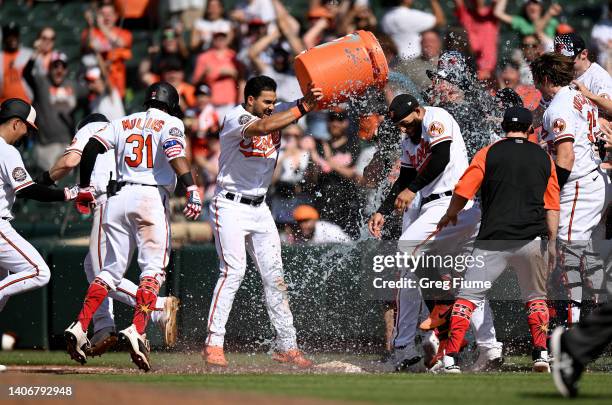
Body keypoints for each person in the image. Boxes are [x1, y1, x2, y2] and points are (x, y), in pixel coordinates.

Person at [64, 82, 202, 371]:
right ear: (172, 104)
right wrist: (191, 187)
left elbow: (91, 147)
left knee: (110, 270)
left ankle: (81, 325)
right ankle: (137, 328)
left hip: (118, 198)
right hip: (151, 196)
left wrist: (86, 186)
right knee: (152, 269)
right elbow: (175, 152)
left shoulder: (123, 121)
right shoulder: (171, 121)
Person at [367, 94, 499, 372]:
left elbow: (441, 157)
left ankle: (442, 307)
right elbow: (404, 178)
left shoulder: (436, 117)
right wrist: (382, 209)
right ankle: (489, 346)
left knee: (406, 249)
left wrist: (412, 189)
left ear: (418, 110)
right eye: (399, 126)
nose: (404, 129)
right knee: (469, 281)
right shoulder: (408, 141)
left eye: (406, 123)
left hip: (451, 204)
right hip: (448, 207)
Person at [202, 75, 322, 368]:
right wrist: (303, 108)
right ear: (251, 99)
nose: (271, 107)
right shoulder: (236, 117)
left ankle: (287, 346)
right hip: (229, 204)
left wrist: (319, 94)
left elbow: (301, 106)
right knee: (233, 271)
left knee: (275, 277)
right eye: (266, 101)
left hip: (260, 208)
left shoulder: (277, 110)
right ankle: (214, 343)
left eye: (273, 101)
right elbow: (265, 126)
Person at [38, 113, 179, 357]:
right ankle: (104, 325)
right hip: (133, 198)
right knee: (93, 267)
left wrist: (42, 181)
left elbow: (70, 161)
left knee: (105, 272)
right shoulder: (122, 129)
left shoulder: (91, 128)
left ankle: (157, 307)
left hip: (108, 202)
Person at [437, 106, 560, 373]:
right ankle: (540, 353)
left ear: (504, 126)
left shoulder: (488, 152)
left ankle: (451, 358)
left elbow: (464, 190)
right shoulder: (543, 157)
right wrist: (552, 242)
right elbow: (552, 206)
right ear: (530, 129)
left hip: (493, 239)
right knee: (536, 298)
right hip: (532, 238)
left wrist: (450, 214)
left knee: (467, 298)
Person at [532, 53, 609, 326]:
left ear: (544, 78)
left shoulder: (559, 106)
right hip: (593, 179)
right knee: (586, 258)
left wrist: (551, 193)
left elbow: (566, 157)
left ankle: (572, 327)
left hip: (578, 184)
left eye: (536, 80)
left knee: (566, 255)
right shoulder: (578, 97)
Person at [0, 99, 78, 314]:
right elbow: (26, 190)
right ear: (16, 123)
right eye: (27, 127)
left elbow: (25, 185)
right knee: (39, 272)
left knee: (5, 286)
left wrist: (47, 180)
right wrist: (65, 193)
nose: (27, 134)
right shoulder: (6, 151)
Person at [23, 51, 79, 172]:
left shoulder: (73, 86)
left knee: (69, 186)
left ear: (67, 69)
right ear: (50, 68)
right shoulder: (42, 82)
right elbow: (26, 73)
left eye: (63, 66)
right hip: (45, 146)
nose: (59, 70)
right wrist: (35, 52)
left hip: (68, 144)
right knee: (47, 186)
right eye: (55, 66)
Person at [81, 1, 133, 97]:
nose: (106, 17)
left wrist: (102, 26)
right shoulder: (92, 31)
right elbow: (88, 45)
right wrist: (90, 25)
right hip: (96, 89)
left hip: (117, 89)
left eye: (109, 14)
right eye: (103, 14)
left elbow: (121, 43)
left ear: (116, 16)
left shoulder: (124, 33)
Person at [554, 33, 612, 106]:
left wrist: (588, 95)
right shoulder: (560, 72)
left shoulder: (599, 78)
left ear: (584, 54)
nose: (563, 63)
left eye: (568, 59)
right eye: (559, 59)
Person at [381, 0, 445, 59]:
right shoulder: (410, 16)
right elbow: (440, 21)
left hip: (394, 60)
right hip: (413, 60)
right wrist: (433, 1)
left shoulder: (386, 17)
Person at [454, 0, 499, 80]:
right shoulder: (466, 14)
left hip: (489, 68)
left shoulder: (491, 13)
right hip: (471, 65)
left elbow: (498, 5)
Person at [0, 23, 33, 103]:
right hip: (4, 105)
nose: (12, 38)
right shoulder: (0, 57)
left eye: (15, 35)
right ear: (4, 38)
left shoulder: (29, 55)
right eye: (9, 35)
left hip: (27, 103)